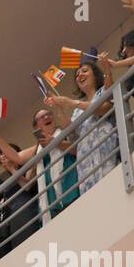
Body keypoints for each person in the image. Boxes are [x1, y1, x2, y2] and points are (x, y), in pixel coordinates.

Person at [47, 59, 119, 198]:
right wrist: (58, 106)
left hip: (107, 157)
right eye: (77, 74)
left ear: (96, 75)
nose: (80, 75)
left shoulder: (104, 91)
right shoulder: (76, 112)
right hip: (85, 167)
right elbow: (72, 134)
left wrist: (72, 102)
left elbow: (103, 108)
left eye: (84, 71)